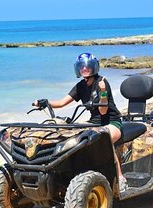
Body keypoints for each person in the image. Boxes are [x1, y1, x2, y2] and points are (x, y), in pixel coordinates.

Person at [34, 53, 127, 192]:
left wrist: (102, 92)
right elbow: (62, 102)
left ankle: (120, 178)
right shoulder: (80, 86)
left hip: (112, 122)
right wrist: (45, 103)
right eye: (82, 67)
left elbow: (103, 111)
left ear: (93, 67)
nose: (85, 69)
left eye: (88, 66)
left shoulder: (102, 82)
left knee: (104, 139)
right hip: (93, 123)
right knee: (73, 137)